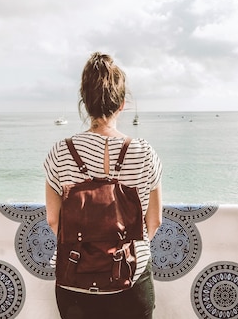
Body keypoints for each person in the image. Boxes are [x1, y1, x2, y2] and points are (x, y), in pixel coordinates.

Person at [44, 52, 163, 319]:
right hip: (131, 279)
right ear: (122, 104)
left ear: (85, 103)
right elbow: (153, 221)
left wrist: (90, 253)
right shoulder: (144, 152)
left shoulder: (61, 152)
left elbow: (54, 220)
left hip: (75, 279)